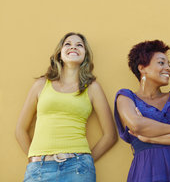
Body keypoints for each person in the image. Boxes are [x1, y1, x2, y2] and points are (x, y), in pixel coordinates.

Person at [15, 32, 117, 182]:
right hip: (39, 170)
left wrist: (84, 162)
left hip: (78, 169)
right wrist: (34, 159)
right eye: (68, 44)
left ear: (85, 55)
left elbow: (110, 135)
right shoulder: (41, 85)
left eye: (79, 45)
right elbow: (20, 130)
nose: (73, 47)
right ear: (59, 54)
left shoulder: (92, 88)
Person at [115, 40, 170, 182]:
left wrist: (151, 138)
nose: (168, 68)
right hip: (147, 171)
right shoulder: (126, 97)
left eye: (169, 64)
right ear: (142, 67)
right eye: (161, 63)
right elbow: (137, 125)